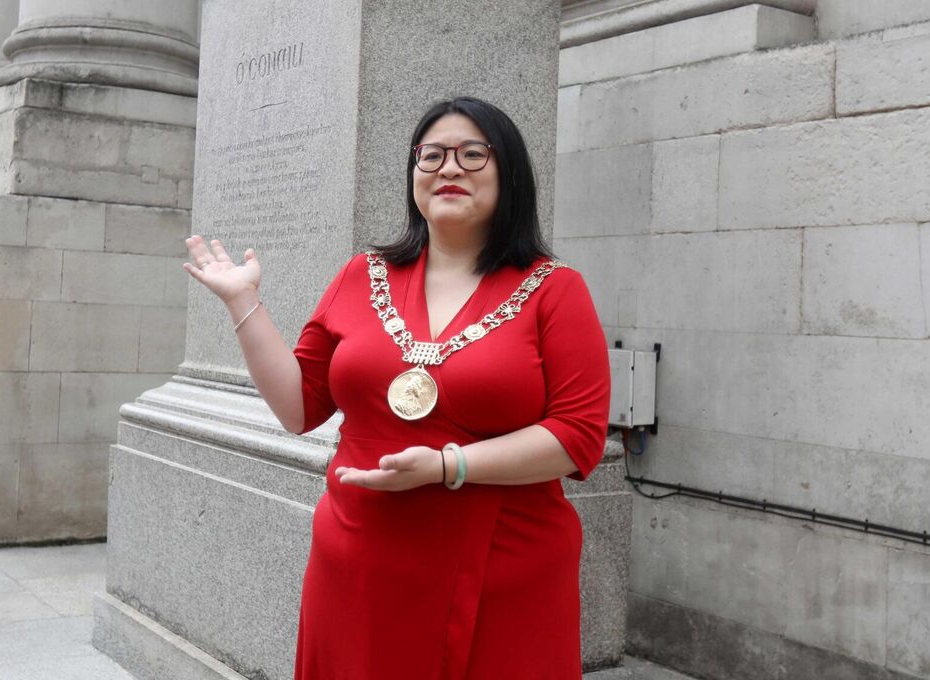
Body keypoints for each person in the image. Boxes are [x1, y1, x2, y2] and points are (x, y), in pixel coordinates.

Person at [183, 96, 611, 680]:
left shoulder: (555, 289)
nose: (449, 168)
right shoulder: (362, 274)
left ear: (509, 173)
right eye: (431, 155)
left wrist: (447, 466)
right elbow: (299, 407)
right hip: (360, 559)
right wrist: (243, 302)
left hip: (503, 566)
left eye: (472, 154)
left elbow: (578, 436)